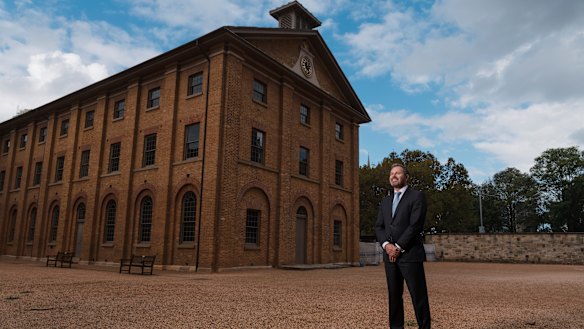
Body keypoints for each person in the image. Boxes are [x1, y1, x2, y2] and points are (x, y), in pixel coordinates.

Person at [374, 163, 431, 329]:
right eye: (392, 173)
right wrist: (387, 246)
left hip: (410, 254)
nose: (394, 176)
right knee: (394, 296)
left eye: (398, 173)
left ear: (406, 177)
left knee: (418, 296)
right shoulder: (385, 201)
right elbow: (379, 226)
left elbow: (415, 226)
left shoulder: (417, 196)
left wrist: (398, 247)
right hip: (390, 257)